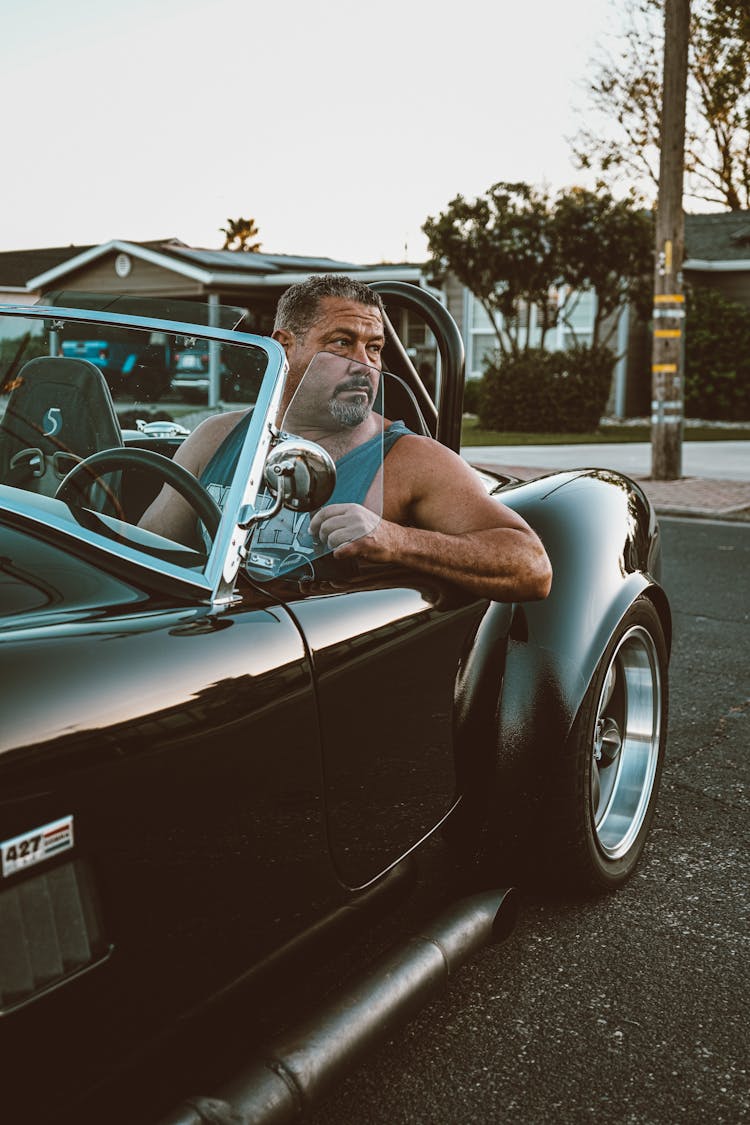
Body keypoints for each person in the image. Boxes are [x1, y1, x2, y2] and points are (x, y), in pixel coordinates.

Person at [139, 275, 552, 602]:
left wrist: (396, 539)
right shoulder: (217, 437)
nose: (364, 366)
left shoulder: (411, 461)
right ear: (284, 346)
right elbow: (146, 555)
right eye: (342, 343)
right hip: (208, 657)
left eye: (374, 348)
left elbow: (530, 566)